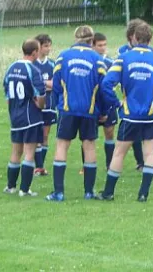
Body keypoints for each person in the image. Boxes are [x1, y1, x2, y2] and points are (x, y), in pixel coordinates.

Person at [98, 22, 153, 202]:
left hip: (130, 115)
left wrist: (116, 103)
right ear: (151, 39)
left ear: (134, 38)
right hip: (151, 115)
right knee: (149, 153)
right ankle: (143, 193)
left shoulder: (123, 59)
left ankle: (108, 192)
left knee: (119, 153)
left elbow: (106, 83)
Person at [45, 26, 107, 202]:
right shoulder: (97, 59)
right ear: (91, 39)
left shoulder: (63, 56)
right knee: (89, 146)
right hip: (89, 110)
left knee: (62, 146)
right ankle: (89, 192)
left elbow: (56, 85)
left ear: (75, 38)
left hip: (68, 108)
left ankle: (58, 192)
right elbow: (104, 87)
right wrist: (103, 110)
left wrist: (59, 103)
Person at [118, 19, 153, 171]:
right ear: (131, 37)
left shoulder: (150, 52)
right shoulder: (123, 53)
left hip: (149, 100)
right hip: (132, 100)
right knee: (134, 134)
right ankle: (140, 162)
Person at [3, 39, 46, 196]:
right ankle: (25, 189)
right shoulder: (33, 70)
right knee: (29, 152)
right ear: (34, 52)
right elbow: (40, 94)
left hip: (15, 116)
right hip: (30, 117)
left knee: (16, 151)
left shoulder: (11, 67)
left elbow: (6, 92)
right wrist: (40, 105)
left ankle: (10, 186)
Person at [33, 34, 56, 176]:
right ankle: (38, 166)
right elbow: (32, 85)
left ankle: (41, 165)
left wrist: (42, 84)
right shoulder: (32, 64)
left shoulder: (52, 64)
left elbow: (55, 84)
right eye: (45, 46)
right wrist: (46, 85)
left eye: (49, 45)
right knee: (37, 135)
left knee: (45, 135)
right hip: (35, 104)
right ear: (38, 47)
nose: (48, 48)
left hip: (50, 104)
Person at [93, 32, 117, 169]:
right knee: (89, 136)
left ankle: (110, 164)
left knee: (109, 133)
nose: (103, 48)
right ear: (93, 45)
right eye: (100, 45)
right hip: (93, 102)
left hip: (108, 102)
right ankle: (87, 166)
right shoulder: (91, 61)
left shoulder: (111, 63)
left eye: (104, 45)